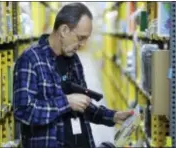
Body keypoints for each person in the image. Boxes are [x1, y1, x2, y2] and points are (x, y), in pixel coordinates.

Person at [13, 2, 133, 148]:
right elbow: (24, 111)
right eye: (80, 38)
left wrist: (112, 116)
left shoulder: (73, 59)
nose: (82, 44)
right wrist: (66, 102)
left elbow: (82, 104)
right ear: (64, 30)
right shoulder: (31, 59)